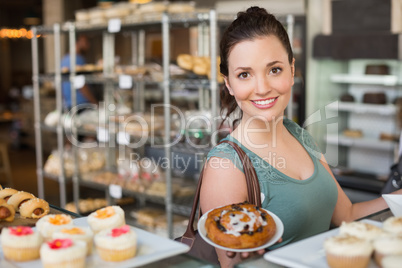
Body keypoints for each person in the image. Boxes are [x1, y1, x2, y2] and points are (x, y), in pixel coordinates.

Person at [199, 7, 402, 267]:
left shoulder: (301, 136)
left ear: (292, 70)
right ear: (229, 84)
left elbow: (348, 215)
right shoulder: (226, 166)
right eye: (244, 75)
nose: (262, 88)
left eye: (274, 70)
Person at [61, 34, 97, 111]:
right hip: (81, 105)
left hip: (69, 105)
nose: (88, 45)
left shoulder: (65, 59)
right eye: (86, 42)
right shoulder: (78, 59)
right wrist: (94, 103)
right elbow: (81, 84)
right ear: (77, 42)